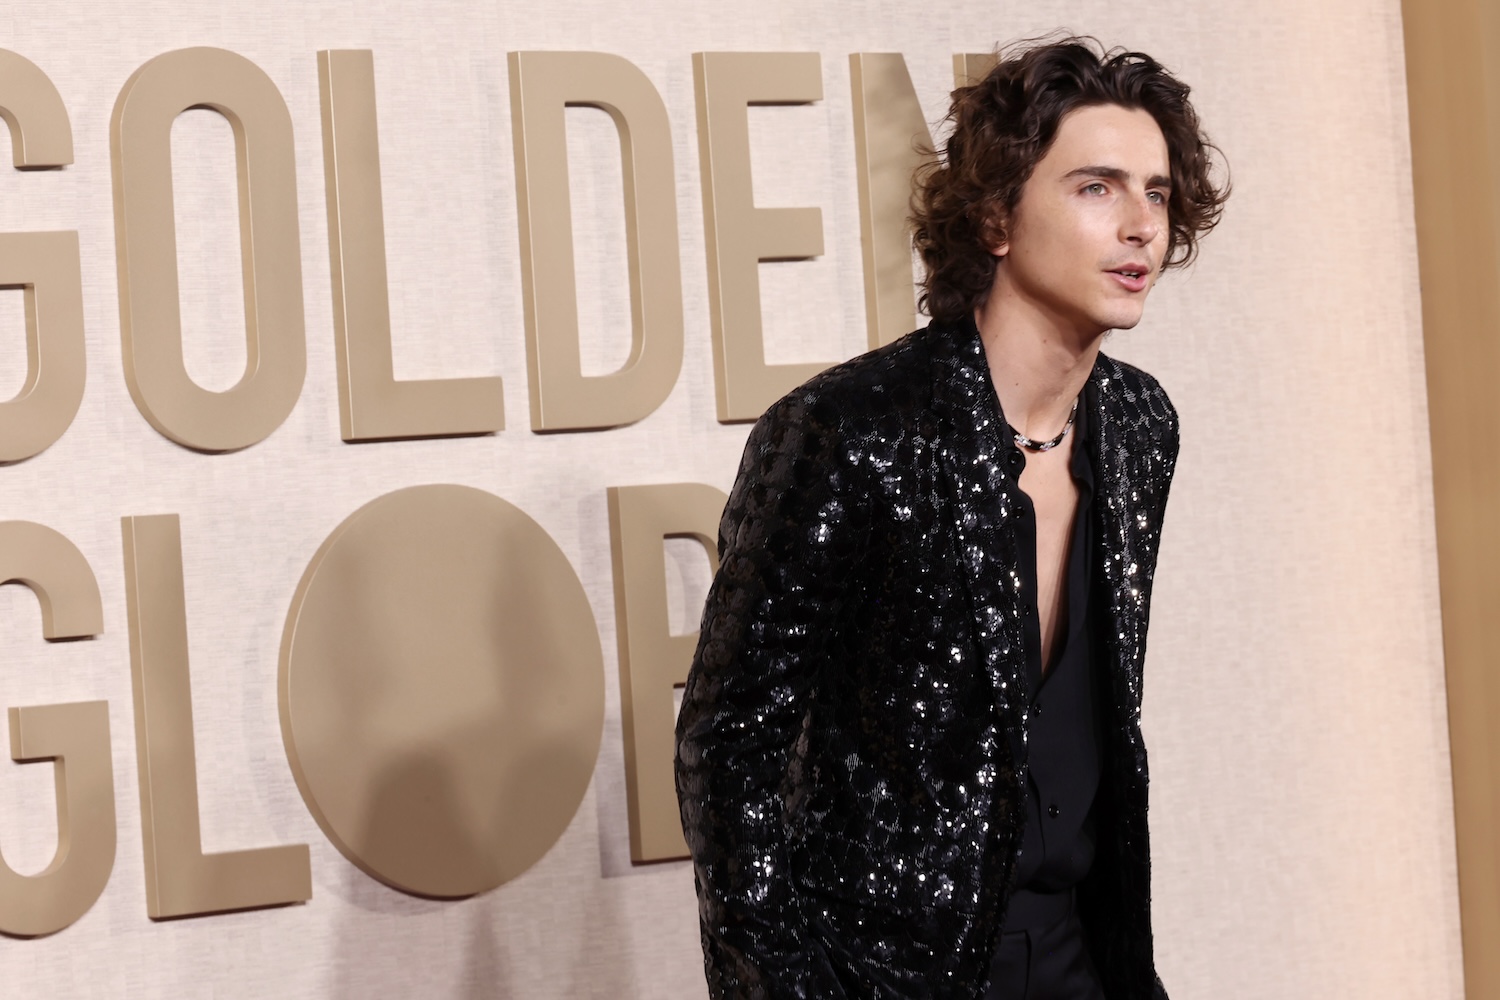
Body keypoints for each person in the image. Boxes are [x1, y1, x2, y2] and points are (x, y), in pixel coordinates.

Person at [675, 35, 1228, 1000]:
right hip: (892, 972)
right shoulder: (849, 431)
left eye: (1157, 192)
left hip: (1079, 956)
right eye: (1097, 187)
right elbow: (726, 752)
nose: (1141, 224)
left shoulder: (1140, 426)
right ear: (995, 216)